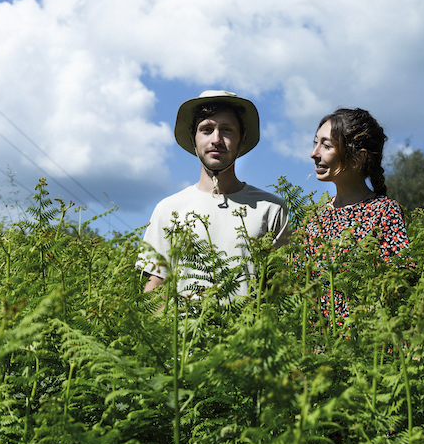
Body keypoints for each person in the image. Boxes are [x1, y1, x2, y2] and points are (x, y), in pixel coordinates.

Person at [138, 90, 289, 296]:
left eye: (226, 130)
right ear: (194, 140)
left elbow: (282, 291)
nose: (216, 139)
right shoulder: (168, 210)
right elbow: (155, 290)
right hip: (182, 329)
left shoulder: (271, 210)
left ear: (242, 141)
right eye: (207, 130)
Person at [303, 107, 409, 320]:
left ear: (358, 158)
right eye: (315, 143)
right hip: (316, 343)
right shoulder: (315, 217)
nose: (314, 154)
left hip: (364, 342)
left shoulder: (383, 211)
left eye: (326, 145)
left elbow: (399, 285)